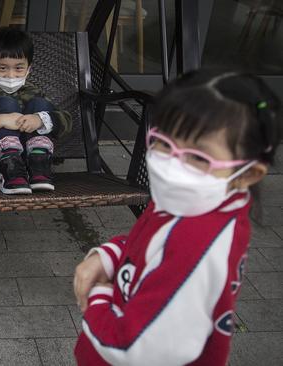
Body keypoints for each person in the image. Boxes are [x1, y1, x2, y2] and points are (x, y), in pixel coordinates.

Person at [72, 71, 282, 365]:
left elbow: (133, 347)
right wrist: (110, 255)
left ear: (247, 173)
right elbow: (149, 245)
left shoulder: (196, 241)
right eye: (163, 142)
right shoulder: (201, 200)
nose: (171, 163)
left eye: (198, 157)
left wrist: (100, 295)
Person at [0, 27, 72, 194]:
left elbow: (66, 120)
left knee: (40, 106)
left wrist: (40, 120)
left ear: (29, 69)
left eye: (18, 68)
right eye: (2, 68)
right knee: (5, 104)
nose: (10, 75)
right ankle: (10, 166)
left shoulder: (35, 92)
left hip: (28, 169)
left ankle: (38, 166)